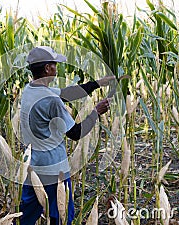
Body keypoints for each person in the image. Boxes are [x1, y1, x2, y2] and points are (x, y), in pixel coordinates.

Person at [18, 46, 114, 225]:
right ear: (48, 68)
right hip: (55, 169)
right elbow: (76, 133)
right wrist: (96, 112)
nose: (57, 68)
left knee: (27, 215)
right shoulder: (51, 100)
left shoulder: (29, 89)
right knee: (61, 216)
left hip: (33, 166)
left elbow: (67, 94)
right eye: (55, 64)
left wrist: (98, 83)